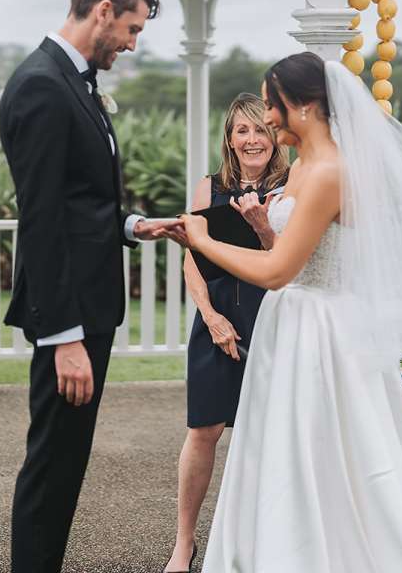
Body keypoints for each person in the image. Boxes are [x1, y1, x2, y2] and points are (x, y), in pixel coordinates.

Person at [177, 52, 402, 573]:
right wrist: (253, 231)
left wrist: (201, 239)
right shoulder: (301, 167)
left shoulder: (330, 172)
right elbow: (289, 252)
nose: (268, 119)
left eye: (271, 106)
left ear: (300, 104)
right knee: (283, 453)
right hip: (292, 321)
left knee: (329, 451)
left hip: (322, 329)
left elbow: (278, 271)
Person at [0, 0, 181, 573]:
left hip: (88, 304)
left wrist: (131, 224)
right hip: (68, 316)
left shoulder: (74, 82)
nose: (131, 45)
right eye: (130, 30)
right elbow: (43, 219)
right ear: (102, 11)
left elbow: (80, 203)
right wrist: (63, 337)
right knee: (53, 464)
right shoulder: (42, 86)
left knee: (67, 462)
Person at [164, 93, 289, 573]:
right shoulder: (207, 188)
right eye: (243, 130)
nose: (252, 138)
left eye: (260, 129)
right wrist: (210, 316)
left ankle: (260, 542)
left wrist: (263, 228)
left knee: (268, 432)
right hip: (216, 318)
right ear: (230, 139)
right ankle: (184, 542)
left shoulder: (291, 186)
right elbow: (192, 258)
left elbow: (286, 257)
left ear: (274, 136)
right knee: (204, 430)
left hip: (271, 318)